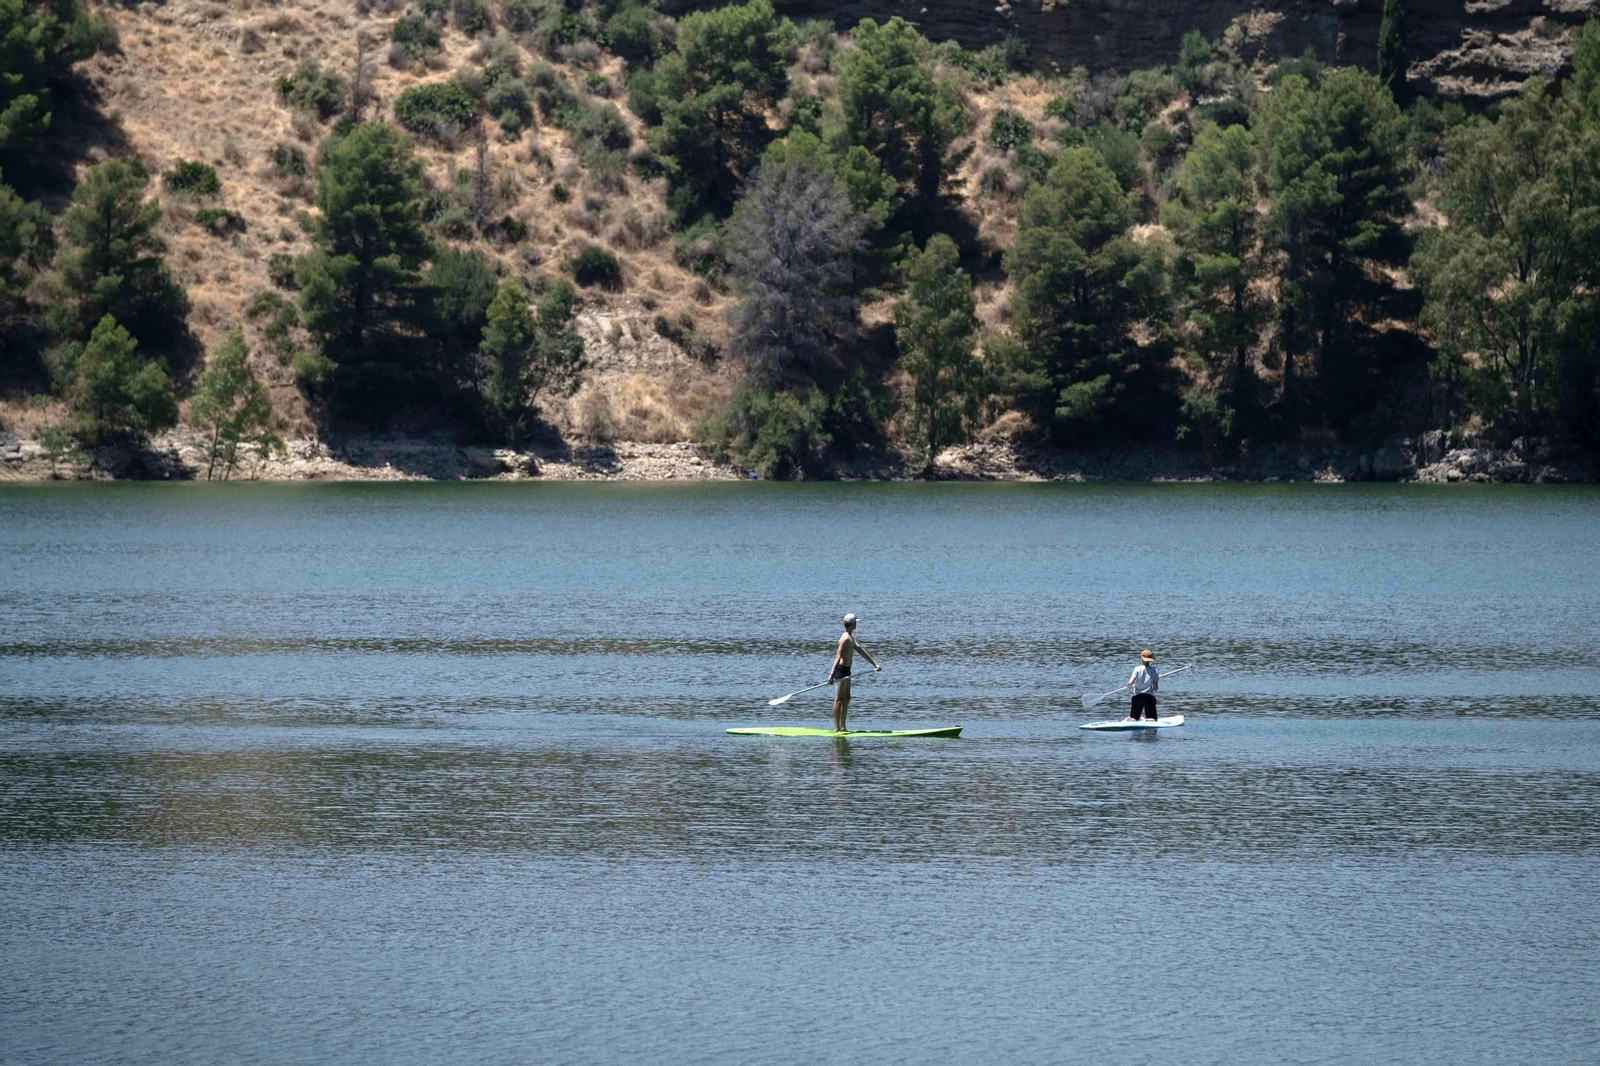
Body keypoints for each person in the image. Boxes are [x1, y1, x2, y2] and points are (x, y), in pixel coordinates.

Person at [828, 613, 881, 733]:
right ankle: (836, 729)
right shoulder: (845, 638)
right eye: (855, 622)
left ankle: (843, 727)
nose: (857, 624)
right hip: (840, 671)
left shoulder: (851, 637)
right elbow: (838, 656)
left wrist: (874, 664)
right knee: (839, 699)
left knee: (847, 698)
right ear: (852, 624)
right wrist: (832, 674)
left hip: (848, 670)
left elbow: (860, 650)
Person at [1125, 649, 1159, 722]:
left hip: (1138, 696)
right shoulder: (1155, 670)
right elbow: (1155, 688)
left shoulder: (1137, 669)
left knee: (1134, 718)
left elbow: (1130, 683)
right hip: (1149, 697)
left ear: (1141, 659)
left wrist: (1129, 685)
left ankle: (1136, 719)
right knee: (1153, 719)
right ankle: (1146, 720)